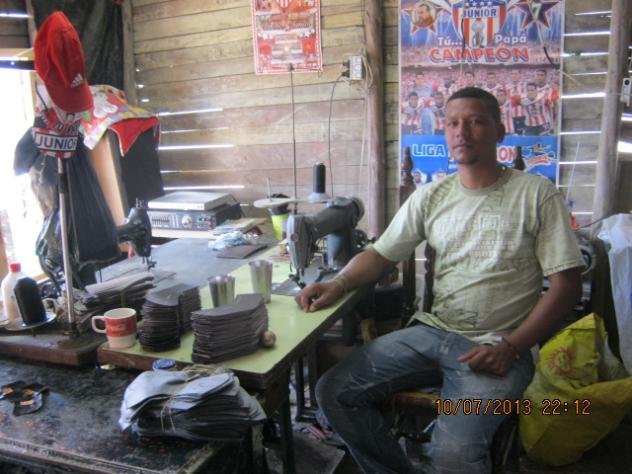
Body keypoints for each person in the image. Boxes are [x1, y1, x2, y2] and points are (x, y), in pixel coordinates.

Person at [295, 87, 584, 474]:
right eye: (452, 123)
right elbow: (381, 254)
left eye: (476, 122)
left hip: (498, 345)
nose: (462, 131)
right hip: (433, 332)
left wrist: (512, 348)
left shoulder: (536, 195)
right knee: (333, 392)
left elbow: (566, 286)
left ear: (499, 132)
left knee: (453, 457)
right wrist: (339, 283)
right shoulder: (432, 196)